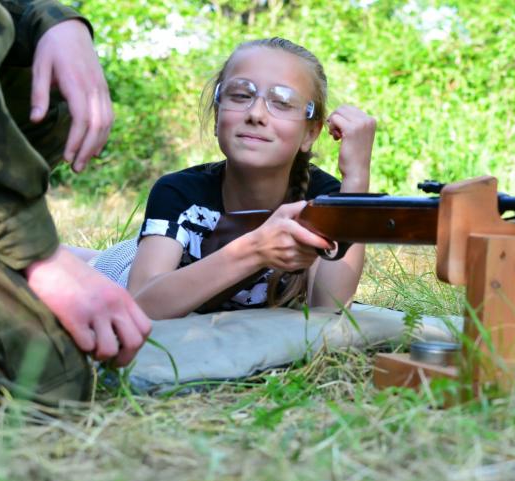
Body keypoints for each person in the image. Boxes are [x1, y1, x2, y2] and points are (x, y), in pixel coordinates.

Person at [91, 37, 376, 319]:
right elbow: (140, 305)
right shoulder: (178, 192)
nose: (256, 114)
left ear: (310, 133)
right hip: (123, 267)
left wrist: (356, 180)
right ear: (217, 116)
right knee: (78, 269)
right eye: (241, 95)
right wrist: (255, 250)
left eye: (282, 102)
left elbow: (330, 311)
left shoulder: (322, 199)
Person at [0, 0, 152, 405]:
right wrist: (38, 254)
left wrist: (55, 22)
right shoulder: (181, 192)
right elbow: (153, 293)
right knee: (46, 381)